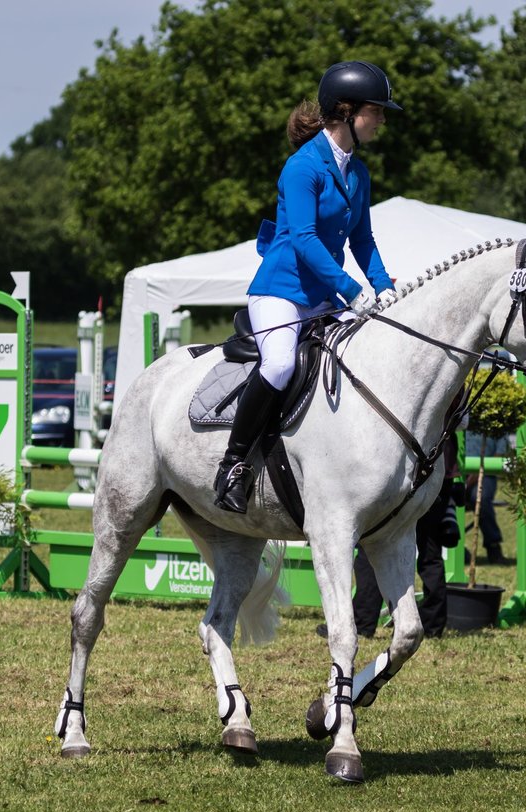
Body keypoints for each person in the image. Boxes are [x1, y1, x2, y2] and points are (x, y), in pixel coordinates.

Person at [213, 60, 401, 513]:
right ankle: (233, 466)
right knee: (278, 365)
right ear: (348, 111)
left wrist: (383, 286)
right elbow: (304, 238)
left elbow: (362, 239)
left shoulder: (358, 173)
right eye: (376, 111)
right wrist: (352, 290)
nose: (381, 119)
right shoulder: (302, 168)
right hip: (281, 291)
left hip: (322, 295)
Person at [348, 433, 461, 638]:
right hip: (440, 468)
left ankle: (363, 621)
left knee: (373, 543)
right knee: (430, 552)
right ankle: (433, 625)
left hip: (405, 468)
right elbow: (462, 423)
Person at [464, 430, 508, 562]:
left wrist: (477, 473)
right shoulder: (459, 420)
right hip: (456, 473)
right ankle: (453, 547)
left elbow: (499, 454)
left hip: (486, 474)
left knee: (480, 498)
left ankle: (493, 546)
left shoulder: (497, 426)